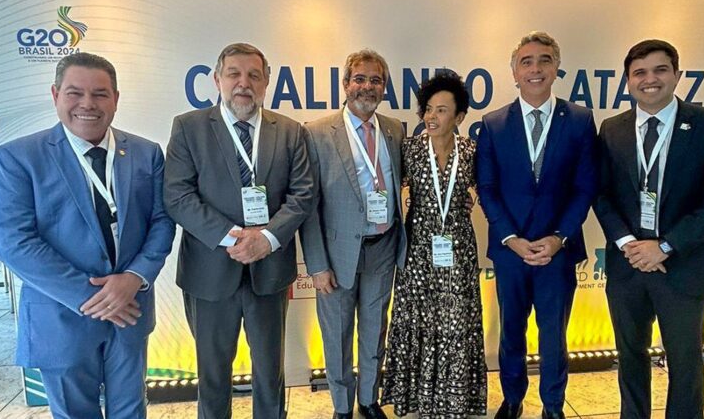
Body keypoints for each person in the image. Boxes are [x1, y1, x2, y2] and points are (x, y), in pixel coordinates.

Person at [0, 52, 175, 418]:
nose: (88, 104)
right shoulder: (17, 157)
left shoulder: (146, 153)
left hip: (131, 310)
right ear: (55, 94)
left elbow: (162, 221)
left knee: (131, 410)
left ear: (115, 99)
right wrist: (95, 296)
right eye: (75, 93)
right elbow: (14, 242)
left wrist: (134, 278)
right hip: (61, 318)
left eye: (100, 94)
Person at [163, 42, 314, 419]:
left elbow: (302, 195)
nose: (244, 83)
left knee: (270, 371)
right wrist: (236, 237)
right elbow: (178, 195)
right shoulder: (189, 127)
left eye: (254, 75)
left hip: (270, 271)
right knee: (213, 373)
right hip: (209, 271)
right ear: (217, 80)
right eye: (234, 74)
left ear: (266, 83)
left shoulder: (290, 131)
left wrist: (267, 239)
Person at [594, 39, 704, 419]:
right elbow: (601, 194)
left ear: (677, 74)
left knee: (685, 361)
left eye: (660, 70)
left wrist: (664, 247)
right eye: (639, 72)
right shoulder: (612, 129)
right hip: (628, 266)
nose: (650, 79)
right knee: (630, 356)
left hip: (685, 266)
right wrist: (630, 245)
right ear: (628, 80)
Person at [476, 31, 598, 419]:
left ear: (556, 68)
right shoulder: (493, 123)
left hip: (557, 252)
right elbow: (487, 188)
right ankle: (512, 399)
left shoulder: (579, 120)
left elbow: (585, 187)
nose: (535, 68)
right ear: (514, 72)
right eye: (526, 61)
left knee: (553, 337)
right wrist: (510, 238)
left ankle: (553, 406)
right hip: (511, 252)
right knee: (511, 332)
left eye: (544, 60)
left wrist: (559, 237)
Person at [298, 49, 406, 419]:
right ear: (345, 84)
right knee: (337, 333)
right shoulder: (316, 133)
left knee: (375, 330)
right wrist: (317, 265)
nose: (367, 86)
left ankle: (369, 399)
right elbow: (308, 205)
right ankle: (342, 406)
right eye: (360, 79)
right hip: (336, 253)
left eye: (376, 80)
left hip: (383, 247)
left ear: (384, 87)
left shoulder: (394, 129)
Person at [381, 71, 487, 418]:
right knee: (418, 321)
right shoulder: (409, 148)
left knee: (457, 321)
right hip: (418, 250)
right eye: (428, 109)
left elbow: (488, 189)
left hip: (459, 248)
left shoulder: (471, 151)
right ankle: (419, 398)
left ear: (459, 117)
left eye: (441, 110)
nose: (431, 116)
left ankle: (454, 399)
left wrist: (473, 198)